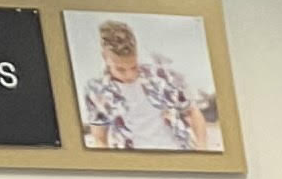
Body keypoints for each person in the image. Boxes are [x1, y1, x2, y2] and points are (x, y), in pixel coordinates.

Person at [78, 19, 215, 153]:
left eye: (133, 66)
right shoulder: (96, 91)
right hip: (134, 166)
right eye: (120, 69)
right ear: (105, 57)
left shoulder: (162, 76)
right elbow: (100, 140)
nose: (129, 75)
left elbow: (192, 111)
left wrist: (202, 149)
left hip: (179, 155)